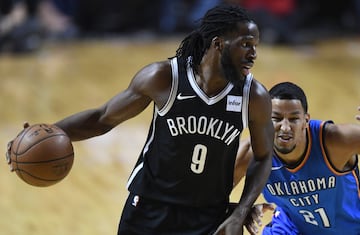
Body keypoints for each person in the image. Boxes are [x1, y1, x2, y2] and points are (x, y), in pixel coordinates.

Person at [6, 4, 274, 235]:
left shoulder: (254, 96)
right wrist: (49, 131)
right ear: (218, 44)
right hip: (149, 208)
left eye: (255, 46)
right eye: (245, 45)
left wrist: (240, 211)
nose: (253, 54)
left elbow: (263, 156)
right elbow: (101, 118)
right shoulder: (164, 78)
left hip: (207, 215)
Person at [234, 82, 360, 234]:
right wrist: (239, 209)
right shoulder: (252, 152)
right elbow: (207, 198)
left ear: (306, 121)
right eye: (276, 118)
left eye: (293, 119)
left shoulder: (334, 141)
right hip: (292, 228)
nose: (285, 127)